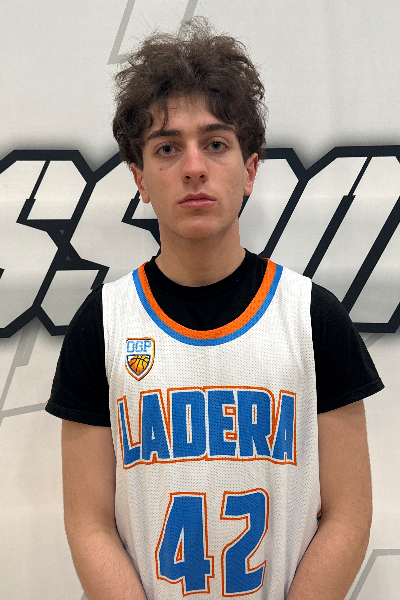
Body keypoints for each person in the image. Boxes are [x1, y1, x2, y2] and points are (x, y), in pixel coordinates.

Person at [46, 18, 384, 600]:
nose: (194, 167)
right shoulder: (102, 324)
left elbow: (348, 515)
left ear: (249, 171)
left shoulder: (312, 317)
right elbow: (89, 523)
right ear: (139, 178)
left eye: (216, 143)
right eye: (167, 148)